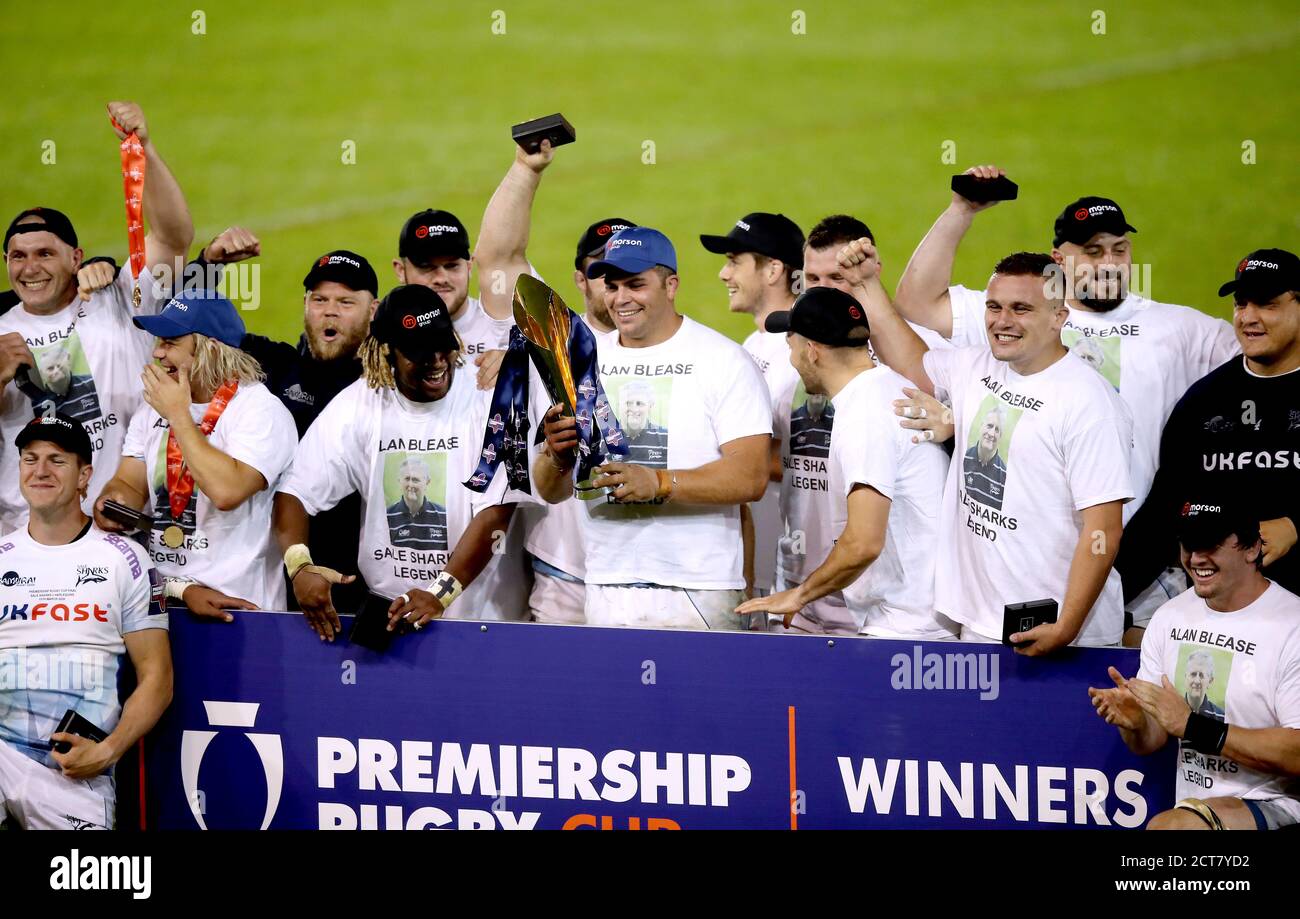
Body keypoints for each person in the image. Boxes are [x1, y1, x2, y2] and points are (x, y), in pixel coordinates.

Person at [893, 167, 1239, 633]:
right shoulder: (1016, 314)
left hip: (1146, 550)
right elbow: (915, 302)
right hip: (1037, 558)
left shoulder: (1180, 330)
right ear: (1059, 261)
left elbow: (1270, 357)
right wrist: (962, 211)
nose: (1108, 262)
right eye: (1092, 251)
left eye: (1119, 249)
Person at [848, 242, 1134, 652]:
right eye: (994, 307)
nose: (1003, 321)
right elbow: (910, 360)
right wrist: (866, 285)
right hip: (982, 619)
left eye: (1021, 309)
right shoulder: (976, 367)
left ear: (1059, 317)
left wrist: (1066, 625)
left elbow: (1103, 529)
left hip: (1065, 633)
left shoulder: (1089, 403)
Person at [533, 227, 771, 630]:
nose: (621, 299)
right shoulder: (582, 364)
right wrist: (555, 456)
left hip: (699, 590)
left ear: (671, 285)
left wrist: (660, 482)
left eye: (636, 285)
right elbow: (551, 490)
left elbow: (751, 476)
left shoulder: (723, 361)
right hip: (607, 586)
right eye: (611, 286)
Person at [274, 284, 528, 639]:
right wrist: (300, 566)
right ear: (388, 352)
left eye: (443, 345)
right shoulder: (361, 403)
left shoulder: (488, 396)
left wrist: (440, 593)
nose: (438, 360)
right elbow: (294, 492)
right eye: (421, 353)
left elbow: (495, 511)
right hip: (390, 615)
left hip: (480, 617)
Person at [0, 101, 194, 532]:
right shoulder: (0, 333)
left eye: (45, 254)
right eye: (18, 257)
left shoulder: (123, 296)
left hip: (118, 523)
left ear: (76, 257)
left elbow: (174, 236)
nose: (30, 268)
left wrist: (144, 146)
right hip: (24, 536)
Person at [736, 287, 951, 639]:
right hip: (913, 618)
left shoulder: (865, 415)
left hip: (906, 628)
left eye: (791, 346)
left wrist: (799, 595)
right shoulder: (882, 390)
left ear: (812, 351)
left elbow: (864, 542)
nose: (790, 360)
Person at [0, 414, 171, 829]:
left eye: (57, 460)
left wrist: (109, 750)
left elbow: (158, 678)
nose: (40, 470)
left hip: (75, 771)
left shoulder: (125, 559)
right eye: (30, 458)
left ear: (84, 476)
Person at [1090, 501, 1300, 830]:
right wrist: (1136, 724)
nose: (1196, 558)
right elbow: (1152, 741)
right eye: (1189, 544)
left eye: (1210, 545)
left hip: (1279, 801)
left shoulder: (1292, 626)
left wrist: (1192, 727)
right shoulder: (1170, 617)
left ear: (1252, 548)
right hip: (1198, 807)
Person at [93, 290, 297, 616]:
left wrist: (178, 416)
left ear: (209, 349)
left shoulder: (260, 411)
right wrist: (115, 501)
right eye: (158, 342)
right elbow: (129, 483)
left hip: (239, 607)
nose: (157, 353)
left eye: (171, 343)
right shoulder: (154, 409)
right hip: (162, 597)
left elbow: (227, 490)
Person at [1120, 249, 1300, 601]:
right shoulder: (1203, 402)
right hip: (1224, 623)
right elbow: (1162, 517)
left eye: (1267, 304)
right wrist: (1093, 604)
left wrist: (1295, 525)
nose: (1248, 317)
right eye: (1241, 303)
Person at [701, 212, 805, 598]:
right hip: (764, 562)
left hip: (799, 567)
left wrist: (734, 455)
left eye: (734, 261)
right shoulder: (752, 345)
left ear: (774, 269)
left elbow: (821, 453)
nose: (724, 275)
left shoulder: (806, 350)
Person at [386, 455, 449, 550]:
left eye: (415, 480)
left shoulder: (443, 516)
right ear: (399, 481)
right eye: (407, 479)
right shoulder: (387, 517)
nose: (410, 484)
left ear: (427, 482)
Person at [963, 407, 1009, 511]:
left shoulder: (1004, 477)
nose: (992, 433)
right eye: (989, 426)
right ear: (981, 427)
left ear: (1000, 437)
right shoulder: (963, 458)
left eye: (997, 430)